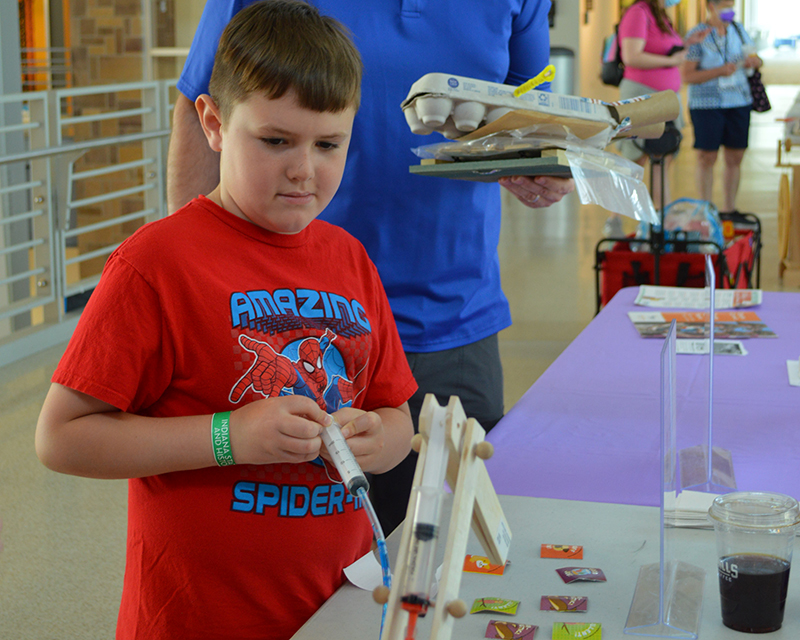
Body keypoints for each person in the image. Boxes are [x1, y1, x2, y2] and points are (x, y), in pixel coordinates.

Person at [35, 2, 417, 638]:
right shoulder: (156, 263)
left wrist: (380, 441)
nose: (304, 169)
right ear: (212, 123)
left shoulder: (349, 259)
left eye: (329, 144)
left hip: (332, 610)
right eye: (275, 141)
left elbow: (398, 415)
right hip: (196, 616)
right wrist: (227, 437)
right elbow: (62, 437)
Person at [168, 0, 575, 536]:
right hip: (294, 314)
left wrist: (542, 163)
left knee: (449, 542)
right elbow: (205, 112)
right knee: (301, 542)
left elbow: (526, 117)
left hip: (452, 313)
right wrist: (191, 274)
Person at [616, 0, 710, 211]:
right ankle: (616, 219)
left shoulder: (659, 14)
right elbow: (631, 56)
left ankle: (663, 216)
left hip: (665, 99)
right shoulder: (638, 13)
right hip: (642, 96)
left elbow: (662, 48)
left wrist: (686, 44)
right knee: (635, 160)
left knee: (664, 156)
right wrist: (671, 62)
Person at [682, 0, 763, 214]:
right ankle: (706, 208)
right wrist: (719, 71)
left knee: (735, 155)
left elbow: (755, 57)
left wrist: (754, 62)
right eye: (725, 6)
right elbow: (687, 75)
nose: (730, 11)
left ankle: (729, 208)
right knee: (707, 156)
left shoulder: (738, 29)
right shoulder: (697, 34)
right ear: (711, 6)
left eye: (732, 6)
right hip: (706, 104)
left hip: (739, 101)